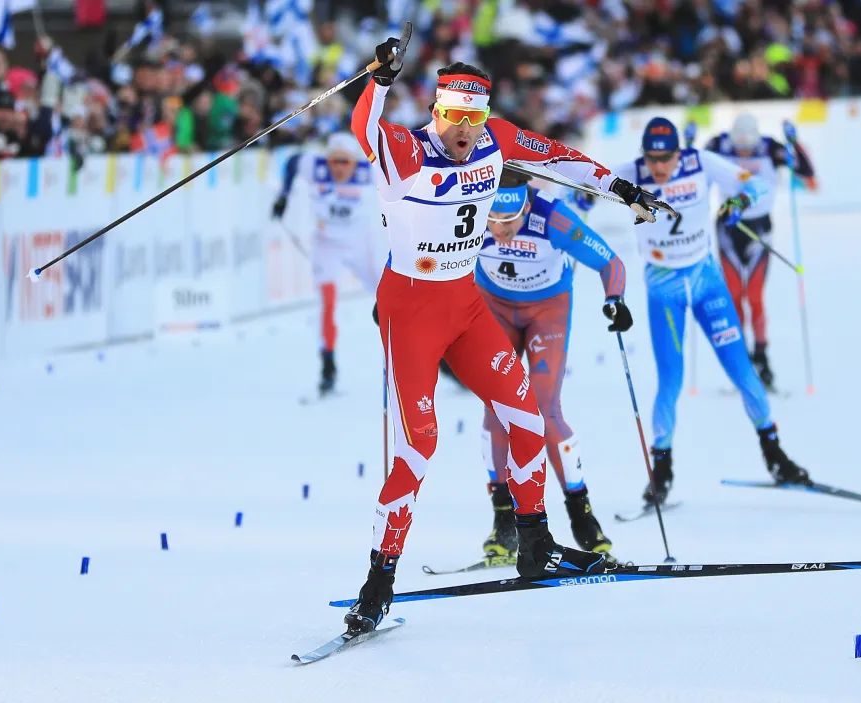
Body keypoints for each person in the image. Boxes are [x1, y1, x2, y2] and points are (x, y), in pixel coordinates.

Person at [345, 36, 669, 634]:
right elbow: (363, 128)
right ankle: (379, 581)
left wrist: (623, 192)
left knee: (526, 418)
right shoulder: (406, 151)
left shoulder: (496, 140)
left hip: (466, 303)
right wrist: (380, 79)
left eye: (475, 115)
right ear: (436, 111)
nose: (465, 129)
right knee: (419, 446)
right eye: (454, 116)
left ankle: (534, 541)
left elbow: (559, 157)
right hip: (411, 309)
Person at [611, 117, 811, 509]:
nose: (658, 169)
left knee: (743, 373)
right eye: (652, 159)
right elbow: (581, 187)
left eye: (666, 159)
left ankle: (776, 457)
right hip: (663, 288)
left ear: (678, 153)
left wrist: (739, 201)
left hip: (706, 281)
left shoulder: (701, 161)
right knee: (671, 380)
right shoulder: (629, 174)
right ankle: (662, 472)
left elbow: (755, 184)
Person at [476, 173, 630, 562]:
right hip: (493, 309)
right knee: (498, 410)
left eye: (509, 221)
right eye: (491, 220)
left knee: (544, 410)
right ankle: (504, 519)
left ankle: (581, 514)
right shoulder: (469, 208)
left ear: (526, 206)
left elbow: (609, 262)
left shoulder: (552, 217)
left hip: (548, 311)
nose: (500, 230)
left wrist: (616, 299)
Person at [705, 113, 816, 388]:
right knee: (733, 296)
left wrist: (794, 143)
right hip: (728, 228)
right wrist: (687, 142)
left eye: (748, 146)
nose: (744, 151)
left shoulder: (770, 147)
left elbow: (805, 171)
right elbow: (691, 162)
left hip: (759, 229)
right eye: (739, 146)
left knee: (754, 296)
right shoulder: (719, 145)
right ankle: (741, 360)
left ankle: (762, 357)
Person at [271, 131, 385, 395]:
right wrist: (283, 196)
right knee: (327, 303)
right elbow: (292, 162)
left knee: (389, 297)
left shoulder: (369, 170)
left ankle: (431, 357)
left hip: (360, 245)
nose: (340, 168)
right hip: (327, 244)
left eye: (346, 162)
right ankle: (328, 363)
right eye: (335, 161)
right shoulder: (316, 167)